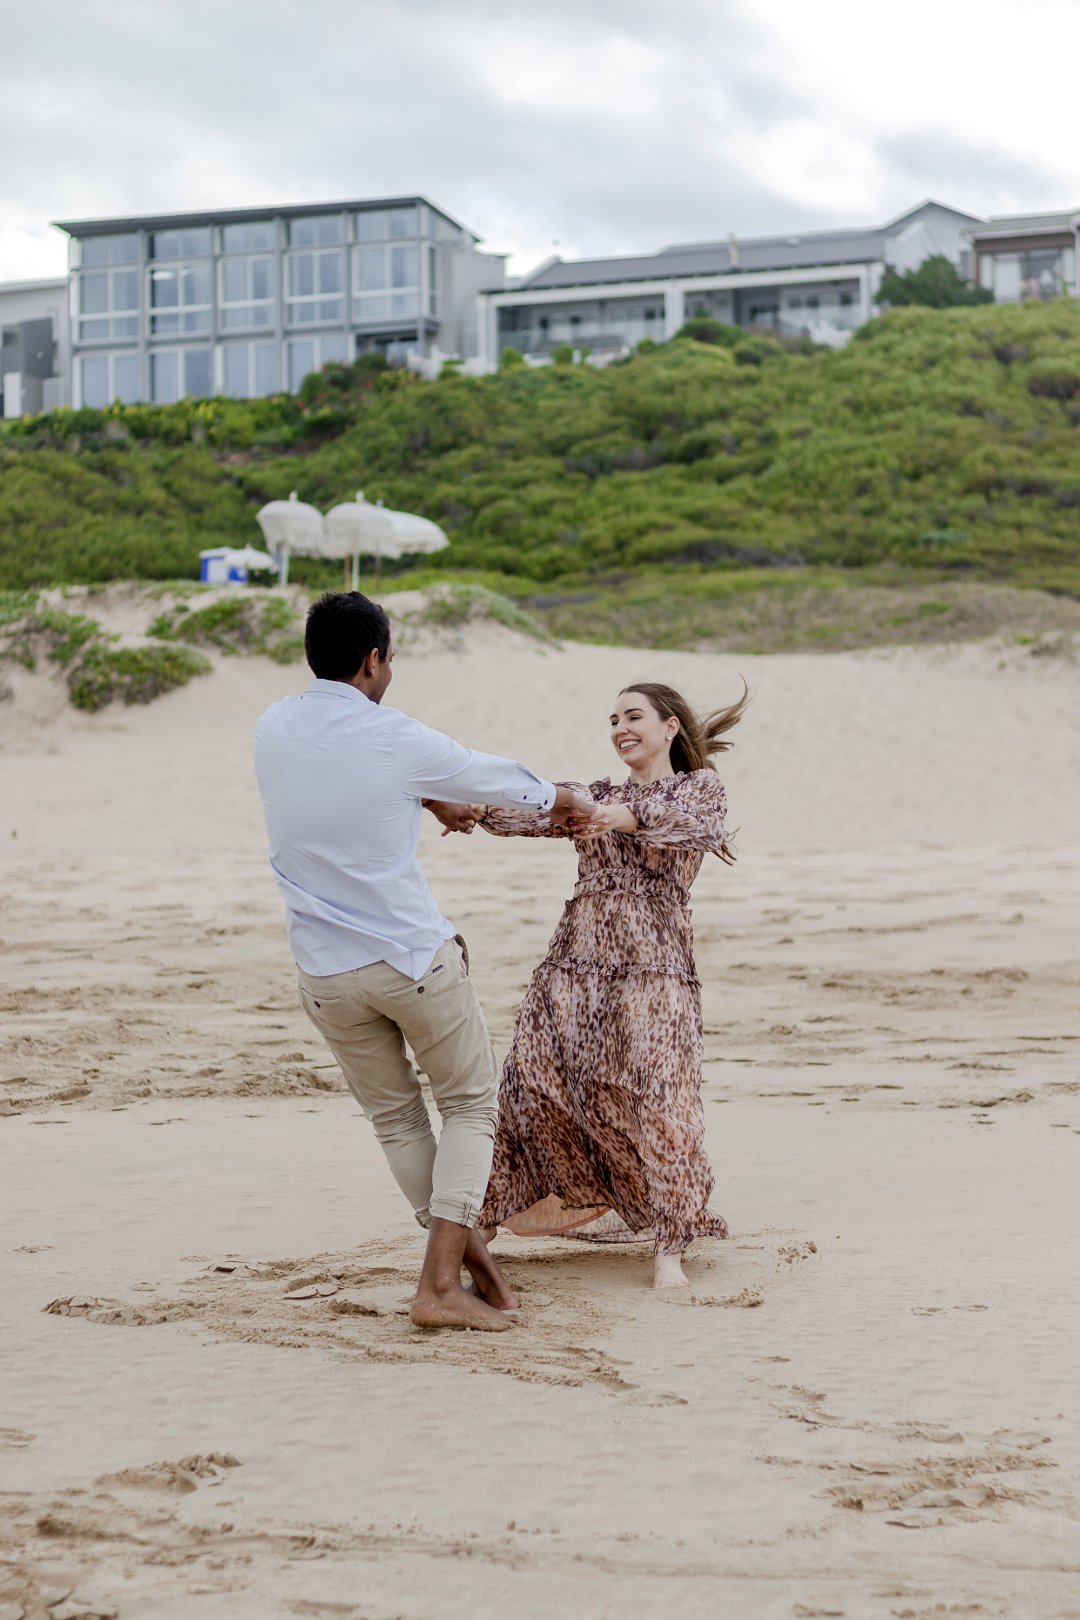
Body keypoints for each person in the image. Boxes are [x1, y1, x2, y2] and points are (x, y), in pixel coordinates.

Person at [253, 591, 596, 1332]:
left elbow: (341, 790)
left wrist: (431, 801)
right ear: (373, 659)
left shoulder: (273, 726)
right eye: (390, 660)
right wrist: (568, 799)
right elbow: (492, 776)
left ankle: (483, 1276)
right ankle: (438, 1286)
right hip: (410, 960)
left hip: (324, 973)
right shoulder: (394, 735)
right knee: (471, 1106)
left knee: (398, 1123)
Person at [472, 680, 749, 1290]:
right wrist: (469, 808)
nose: (621, 728)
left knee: (661, 1103)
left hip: (655, 975)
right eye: (614, 720)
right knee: (531, 1086)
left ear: (670, 727)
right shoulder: (595, 794)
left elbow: (694, 827)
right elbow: (535, 808)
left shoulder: (698, 788)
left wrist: (623, 817)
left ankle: (669, 1248)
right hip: (574, 969)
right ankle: (483, 1225)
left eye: (633, 716)